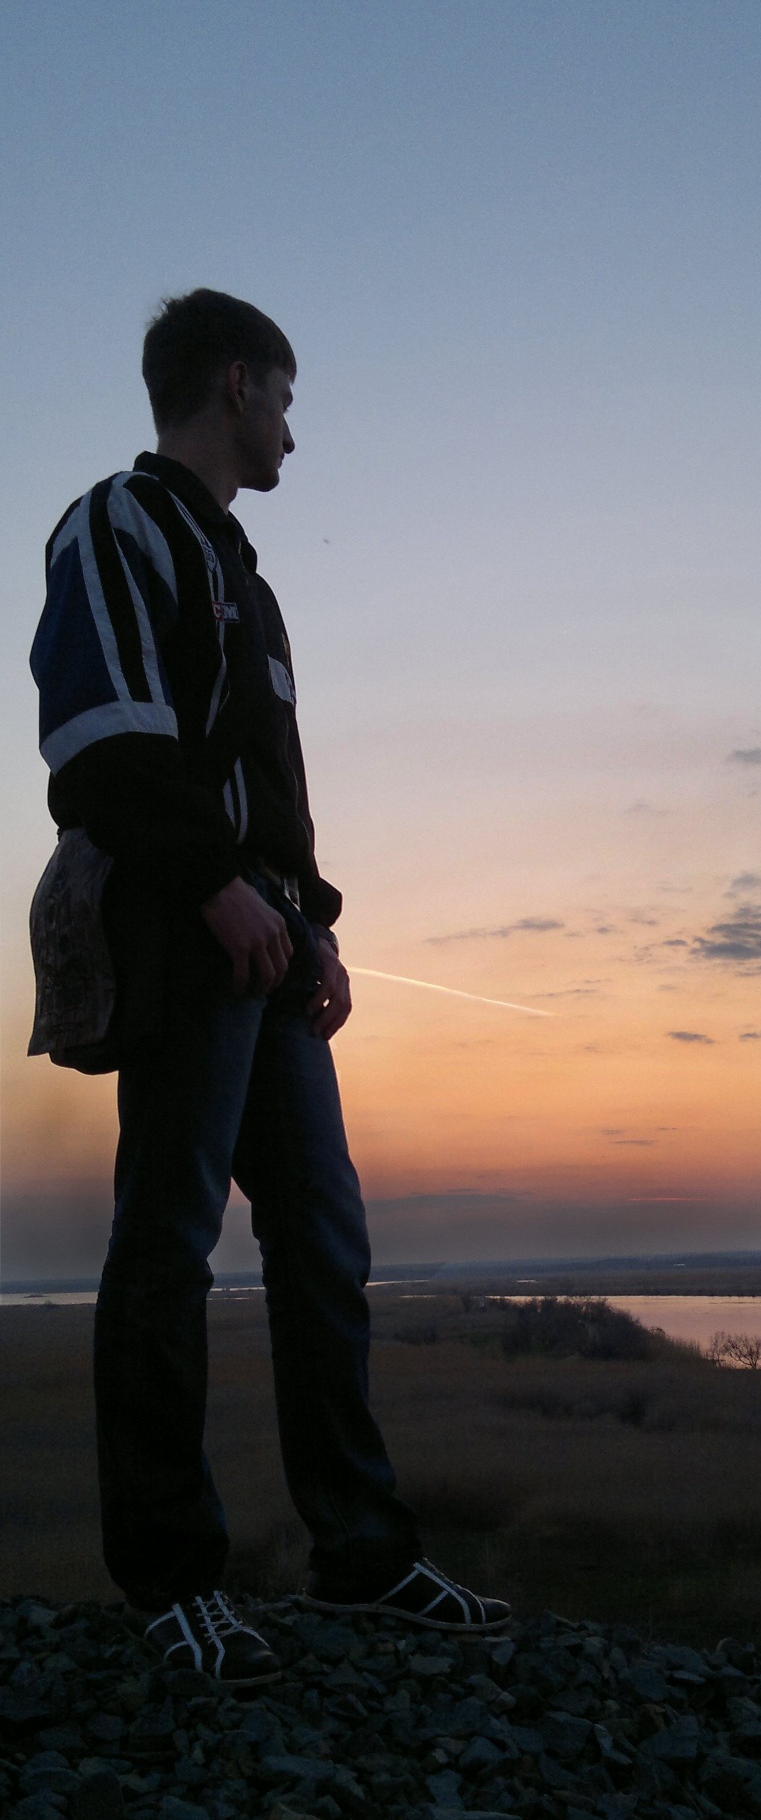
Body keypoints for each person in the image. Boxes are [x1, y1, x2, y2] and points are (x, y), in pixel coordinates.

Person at [29, 288, 510, 1685]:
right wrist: (214, 885)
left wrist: (315, 925)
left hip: (264, 937)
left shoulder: (243, 574)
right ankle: (171, 1579)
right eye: (286, 400)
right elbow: (98, 743)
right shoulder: (115, 525)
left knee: (321, 1233)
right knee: (167, 1239)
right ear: (235, 384)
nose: (293, 431)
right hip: (186, 928)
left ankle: (361, 1554)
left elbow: (274, 793)